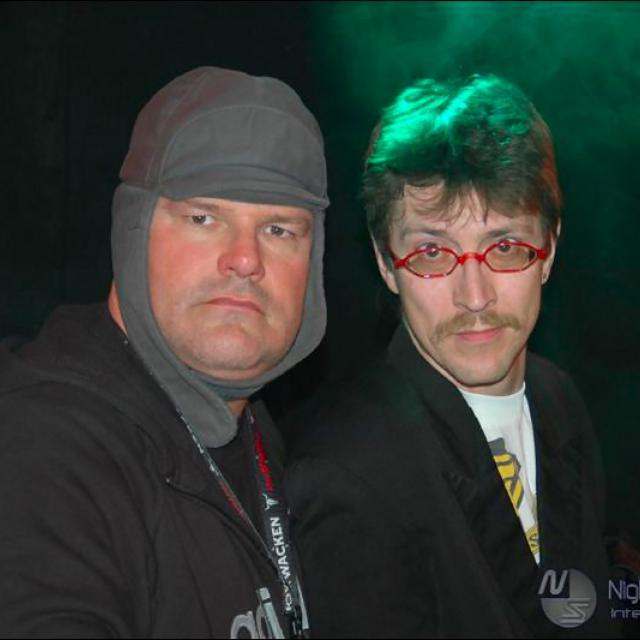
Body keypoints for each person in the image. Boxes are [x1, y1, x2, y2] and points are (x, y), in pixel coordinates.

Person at [0, 66, 328, 638]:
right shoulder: (44, 449)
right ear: (132, 230)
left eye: (279, 230)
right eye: (204, 218)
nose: (245, 259)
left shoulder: (249, 431)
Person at [286, 74, 613, 637]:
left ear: (549, 249)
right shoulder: (346, 476)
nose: (475, 297)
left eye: (504, 247)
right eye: (433, 253)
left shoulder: (558, 398)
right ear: (385, 264)